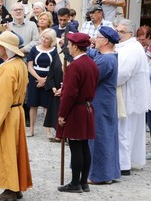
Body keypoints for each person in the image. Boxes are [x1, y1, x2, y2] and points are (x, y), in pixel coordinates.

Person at [0, 31, 32, 200]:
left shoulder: (8, 69)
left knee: (6, 151)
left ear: (6, 49)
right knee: (14, 150)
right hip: (16, 112)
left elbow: (1, 98)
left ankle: (10, 188)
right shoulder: (20, 64)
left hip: (7, 114)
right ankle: (15, 187)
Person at [56, 32, 99, 194]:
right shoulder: (91, 63)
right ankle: (83, 182)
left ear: (75, 46)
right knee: (84, 146)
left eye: (69, 45)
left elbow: (70, 95)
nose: (67, 47)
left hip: (76, 110)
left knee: (76, 147)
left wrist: (62, 114)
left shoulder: (75, 66)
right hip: (87, 107)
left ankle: (75, 183)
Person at [115, 19, 151, 176]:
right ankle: (127, 160)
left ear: (130, 33)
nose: (118, 34)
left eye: (121, 32)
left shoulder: (131, 48)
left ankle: (124, 164)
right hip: (131, 93)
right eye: (117, 30)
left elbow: (122, 74)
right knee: (130, 129)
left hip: (128, 94)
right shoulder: (128, 46)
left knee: (125, 130)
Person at [86, 26, 121, 184]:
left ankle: (100, 175)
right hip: (103, 101)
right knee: (105, 135)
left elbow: (91, 78)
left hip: (101, 103)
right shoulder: (105, 55)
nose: (95, 39)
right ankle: (107, 173)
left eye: (98, 37)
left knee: (99, 136)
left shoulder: (107, 60)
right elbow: (92, 53)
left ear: (106, 41)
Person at [26, 28, 57, 138]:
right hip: (34, 78)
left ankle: (48, 131)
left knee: (47, 106)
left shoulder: (54, 51)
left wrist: (45, 81)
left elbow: (55, 67)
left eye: (47, 38)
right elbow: (29, 66)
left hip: (48, 79)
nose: (44, 40)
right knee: (33, 105)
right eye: (43, 37)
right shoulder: (34, 49)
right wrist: (38, 78)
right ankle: (31, 130)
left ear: (51, 40)